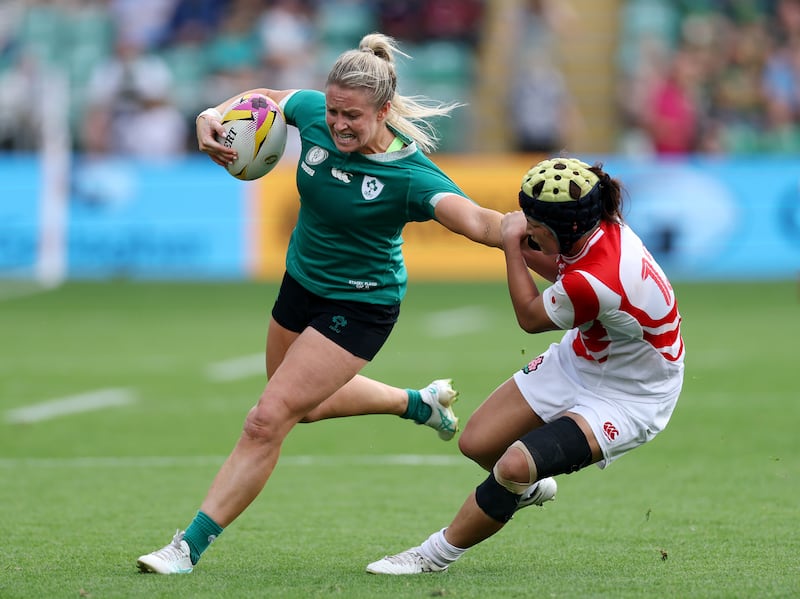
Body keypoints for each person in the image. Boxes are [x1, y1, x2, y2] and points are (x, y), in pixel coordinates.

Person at [136, 32, 507, 574]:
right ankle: (418, 403)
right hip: (300, 285)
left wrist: (540, 231)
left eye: (352, 116)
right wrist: (210, 113)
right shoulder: (313, 113)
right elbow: (268, 99)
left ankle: (186, 546)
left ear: (383, 112)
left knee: (267, 420)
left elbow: (479, 221)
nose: (337, 124)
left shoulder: (409, 175)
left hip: (361, 306)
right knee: (301, 408)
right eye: (333, 111)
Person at [366, 157, 685, 575]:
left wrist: (513, 248)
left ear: (559, 229)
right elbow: (560, 266)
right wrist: (515, 239)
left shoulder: (597, 279)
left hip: (631, 396)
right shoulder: (593, 228)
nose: (526, 225)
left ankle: (433, 555)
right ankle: (526, 488)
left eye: (534, 223)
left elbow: (531, 318)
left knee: (514, 463)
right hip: (583, 357)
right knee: (478, 443)